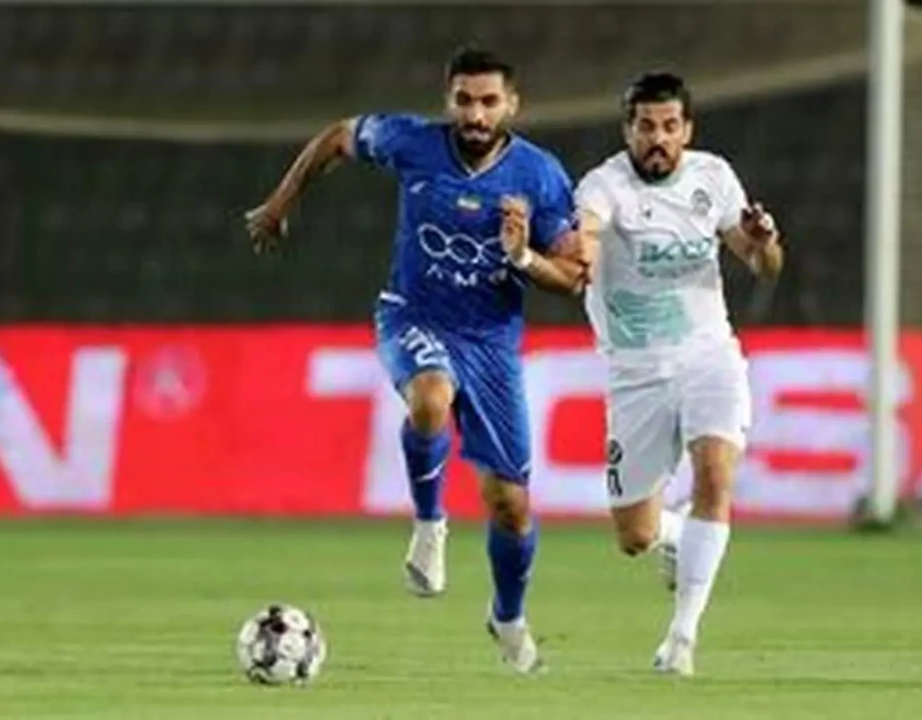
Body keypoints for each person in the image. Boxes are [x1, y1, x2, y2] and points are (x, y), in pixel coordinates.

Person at [244, 47, 593, 674]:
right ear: (447, 100)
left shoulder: (539, 176)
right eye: (464, 100)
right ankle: (430, 526)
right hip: (412, 316)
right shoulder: (411, 142)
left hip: (490, 344)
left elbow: (573, 277)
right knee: (430, 396)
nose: (476, 114)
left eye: (489, 101)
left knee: (511, 505)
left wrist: (522, 256)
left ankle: (508, 618)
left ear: (512, 105)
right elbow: (337, 136)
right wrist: (280, 202)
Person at [574, 71, 783, 676]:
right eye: (646, 127)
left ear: (687, 130)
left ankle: (681, 638)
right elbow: (588, 230)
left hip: (708, 356)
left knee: (715, 475)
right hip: (636, 372)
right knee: (635, 537)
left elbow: (762, 264)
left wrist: (763, 240)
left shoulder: (713, 177)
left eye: (669, 126)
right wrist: (581, 250)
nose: (658, 139)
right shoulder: (604, 185)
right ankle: (677, 534)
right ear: (628, 131)